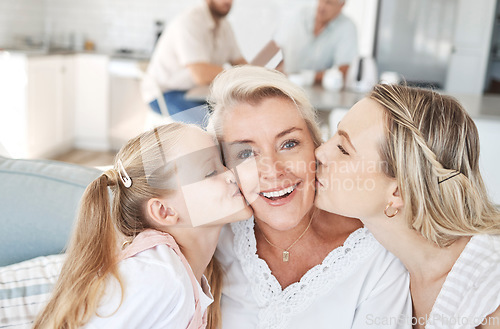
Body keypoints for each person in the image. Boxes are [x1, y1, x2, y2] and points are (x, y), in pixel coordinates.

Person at [206, 66, 412, 329]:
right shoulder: (215, 238)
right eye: (246, 154)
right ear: (227, 168)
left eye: (289, 144)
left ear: (317, 147)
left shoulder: (378, 259)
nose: (273, 170)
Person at [315, 84, 500, 329]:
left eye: (342, 149)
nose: (319, 152)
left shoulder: (488, 297)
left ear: (398, 192)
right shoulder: (386, 254)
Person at [33, 123, 253, 329]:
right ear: (164, 211)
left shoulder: (182, 273)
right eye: (211, 172)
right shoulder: (160, 276)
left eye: (223, 162)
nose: (231, 173)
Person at [141, 0, 246, 125]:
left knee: (238, 117)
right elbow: (201, 75)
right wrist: (240, 75)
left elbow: (240, 62)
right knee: (214, 127)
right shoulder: (190, 22)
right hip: (166, 94)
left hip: (198, 93)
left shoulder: (225, 26)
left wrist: (262, 76)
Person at [274, 0, 358, 84]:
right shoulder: (301, 14)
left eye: (329, 3)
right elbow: (278, 47)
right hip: (285, 82)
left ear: (341, 5)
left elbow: (344, 70)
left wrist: (306, 77)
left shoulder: (347, 27)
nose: (322, 7)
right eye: (321, 1)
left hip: (318, 88)